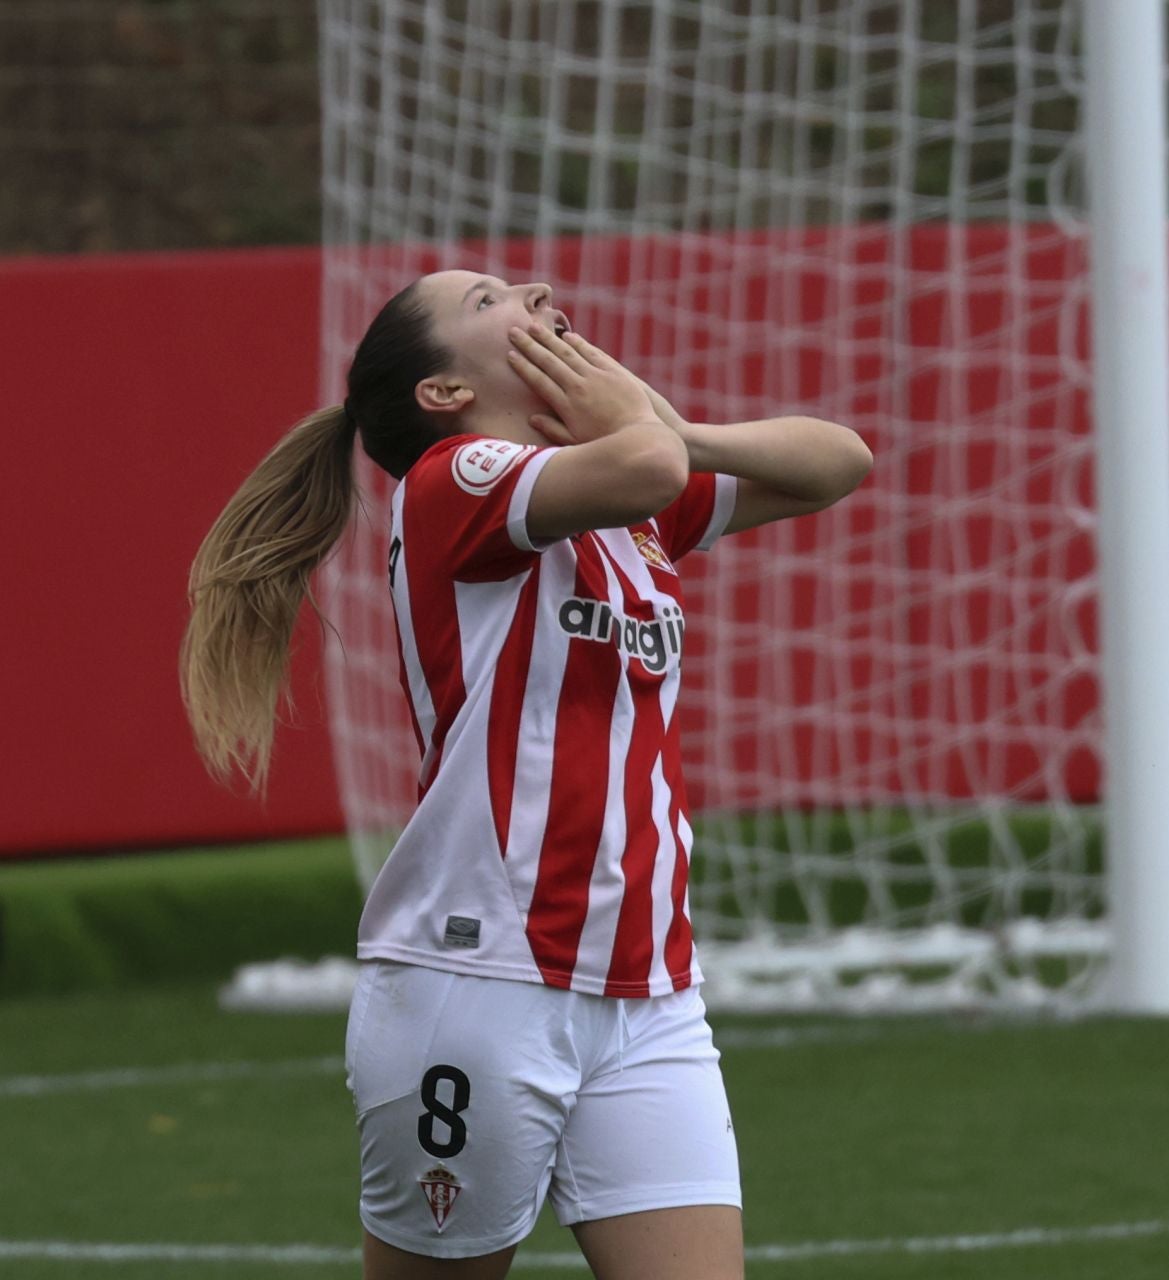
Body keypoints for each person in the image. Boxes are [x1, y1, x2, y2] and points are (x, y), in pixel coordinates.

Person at [182, 270, 872, 1279]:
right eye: (488, 300)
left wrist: (680, 428)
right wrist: (644, 428)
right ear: (445, 393)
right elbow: (640, 462)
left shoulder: (634, 494)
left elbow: (837, 461)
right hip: (482, 979)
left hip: (649, 990)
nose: (538, 289)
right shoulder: (454, 478)